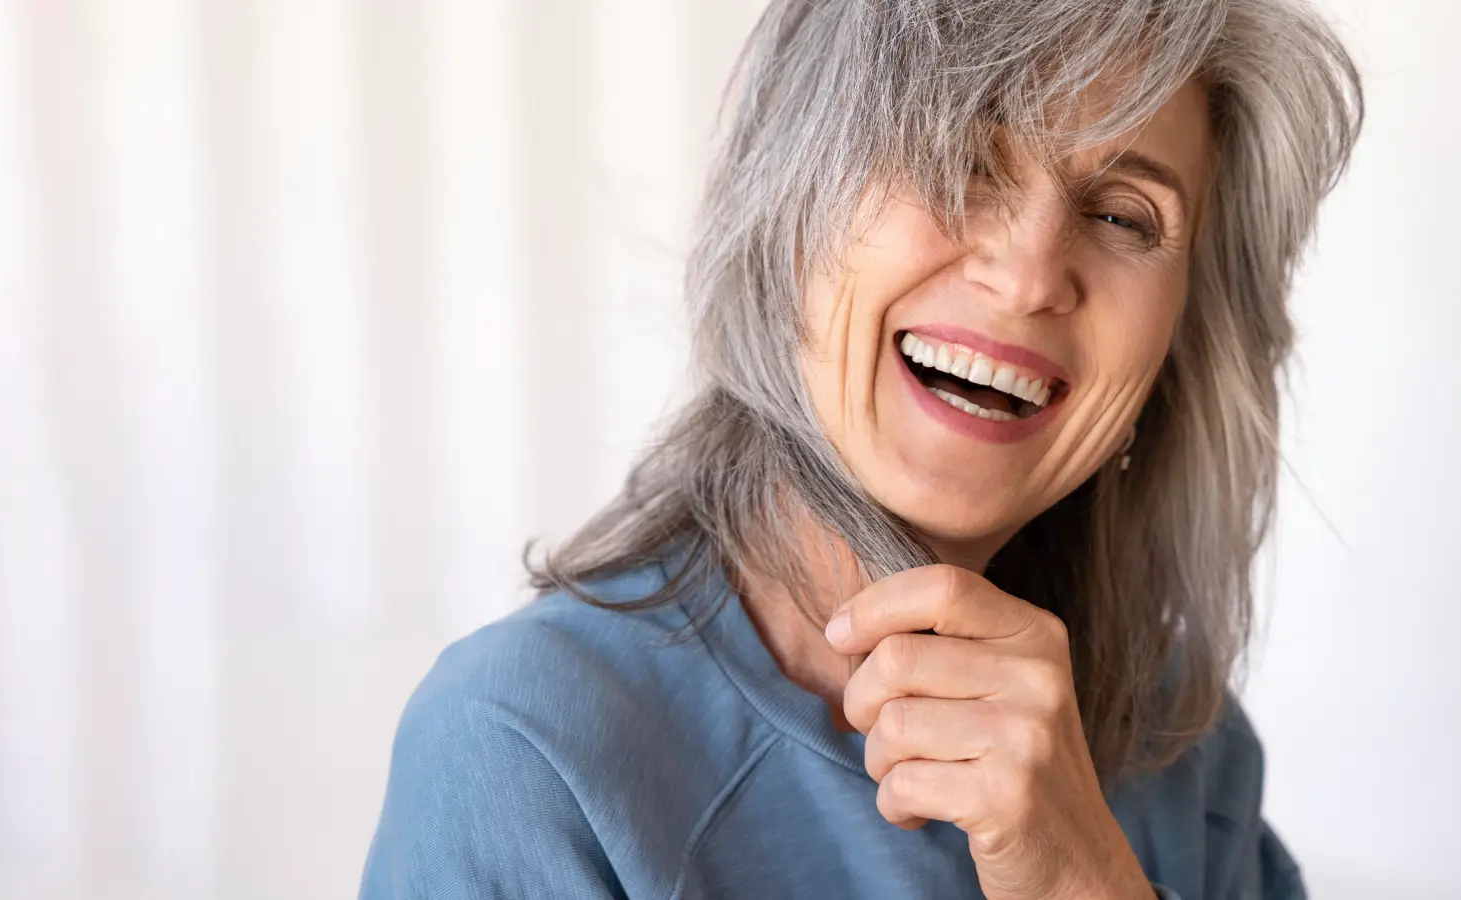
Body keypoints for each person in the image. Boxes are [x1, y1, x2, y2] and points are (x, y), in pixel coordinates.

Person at [360, 1, 1362, 897]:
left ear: (1179, 345)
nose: (1027, 275)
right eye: (956, 158)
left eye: (1120, 215)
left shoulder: (1182, 744)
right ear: (788, 207)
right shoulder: (527, 749)